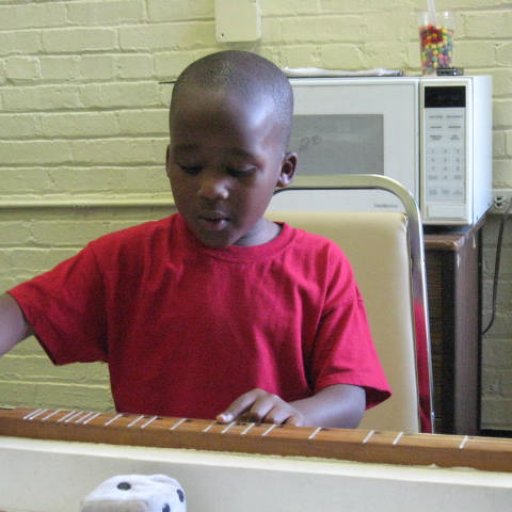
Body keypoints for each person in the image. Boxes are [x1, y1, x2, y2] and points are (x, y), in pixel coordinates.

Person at [0, 50, 391, 428]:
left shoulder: (321, 265)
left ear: (284, 171)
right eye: (190, 167)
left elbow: (348, 396)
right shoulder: (123, 258)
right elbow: (19, 311)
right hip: (152, 479)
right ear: (169, 161)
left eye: (238, 170)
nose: (210, 188)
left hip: (274, 473)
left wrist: (298, 414)